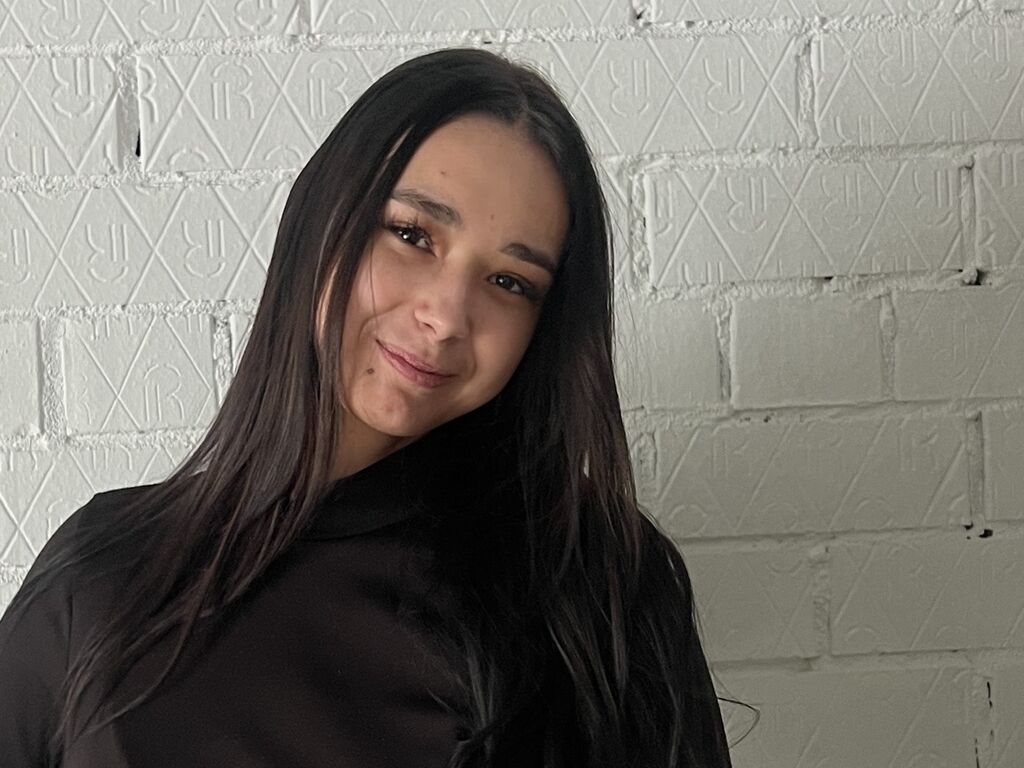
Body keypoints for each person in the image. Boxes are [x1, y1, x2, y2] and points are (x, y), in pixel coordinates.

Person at [0, 48, 734, 767]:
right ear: (322, 223)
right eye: (412, 235)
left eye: (510, 282)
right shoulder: (104, 576)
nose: (446, 316)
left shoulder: (597, 586)